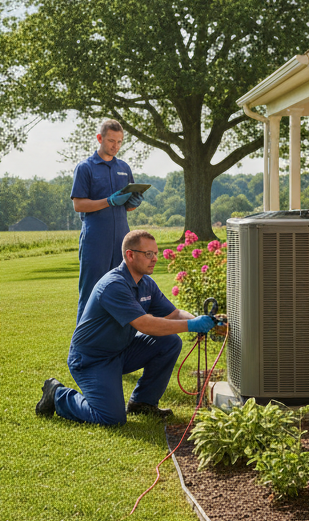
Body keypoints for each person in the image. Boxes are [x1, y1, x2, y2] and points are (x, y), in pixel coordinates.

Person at [35, 229, 216, 425]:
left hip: (121, 351)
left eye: (156, 253)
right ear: (130, 255)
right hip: (92, 359)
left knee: (169, 342)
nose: (155, 259)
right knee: (111, 418)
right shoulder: (114, 285)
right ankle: (57, 395)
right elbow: (145, 324)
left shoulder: (146, 284)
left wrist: (202, 321)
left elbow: (173, 314)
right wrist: (192, 325)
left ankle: (142, 402)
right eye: (149, 254)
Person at [71, 119, 144, 321]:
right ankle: (81, 341)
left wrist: (134, 202)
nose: (115, 146)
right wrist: (109, 201)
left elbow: (127, 206)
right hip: (95, 240)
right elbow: (79, 205)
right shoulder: (85, 168)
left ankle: (118, 339)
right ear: (99, 138)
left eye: (119, 142)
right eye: (111, 141)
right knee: (90, 294)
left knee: (122, 292)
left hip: (122, 240)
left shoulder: (124, 168)